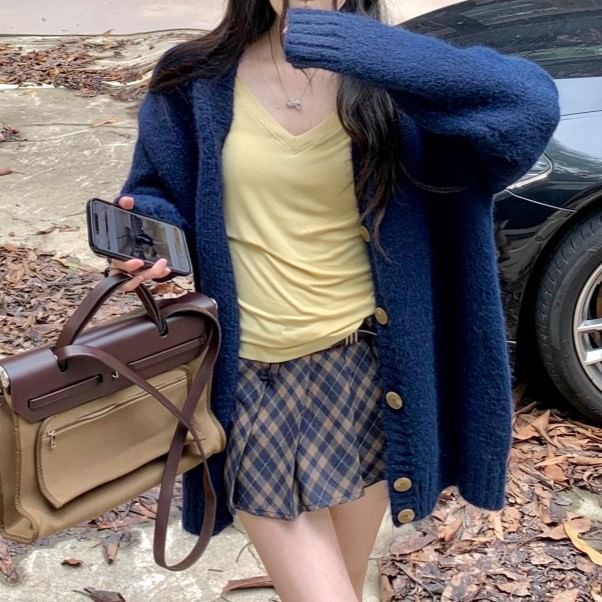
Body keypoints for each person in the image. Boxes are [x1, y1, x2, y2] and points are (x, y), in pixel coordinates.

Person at [108, 1, 560, 600]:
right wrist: (149, 234)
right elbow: (156, 189)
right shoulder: (193, 79)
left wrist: (364, 49)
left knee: (344, 580)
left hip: (369, 377)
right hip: (253, 381)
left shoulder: (393, 81)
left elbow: (530, 106)